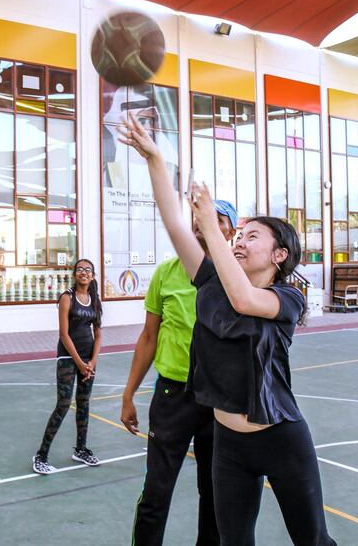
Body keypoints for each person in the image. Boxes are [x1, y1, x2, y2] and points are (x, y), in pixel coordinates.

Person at [119, 115, 336, 546]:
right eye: (237, 234)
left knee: (312, 540)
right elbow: (176, 225)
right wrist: (156, 160)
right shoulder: (211, 283)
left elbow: (244, 301)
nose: (238, 240)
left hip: (280, 438)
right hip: (229, 445)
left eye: (250, 236)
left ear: (279, 255)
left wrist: (210, 224)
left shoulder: (286, 299)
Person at [122, 199, 238, 546]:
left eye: (215, 219)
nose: (202, 223)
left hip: (219, 400)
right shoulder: (167, 273)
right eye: (199, 217)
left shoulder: (239, 277)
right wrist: (128, 394)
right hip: (173, 397)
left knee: (215, 494)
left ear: (230, 230)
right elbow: (148, 338)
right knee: (156, 492)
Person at [33, 259, 103, 474]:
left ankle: (80, 449)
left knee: (84, 403)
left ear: (92, 276)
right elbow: (64, 334)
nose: (84, 272)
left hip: (87, 359)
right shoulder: (67, 298)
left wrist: (92, 362)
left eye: (88, 270)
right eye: (80, 269)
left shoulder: (94, 300)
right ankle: (41, 455)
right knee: (63, 404)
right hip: (67, 359)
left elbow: (98, 333)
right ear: (75, 274)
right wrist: (80, 363)